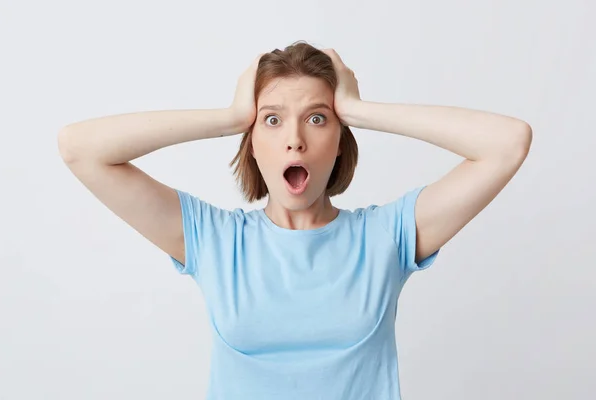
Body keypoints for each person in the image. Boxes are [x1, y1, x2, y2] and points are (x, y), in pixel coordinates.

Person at [58, 41, 532, 399]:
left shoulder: (386, 236)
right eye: (272, 120)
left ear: (341, 140)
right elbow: (80, 149)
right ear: (251, 141)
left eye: (317, 119)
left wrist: (360, 110)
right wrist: (229, 117)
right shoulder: (214, 240)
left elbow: (507, 143)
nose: (295, 140)